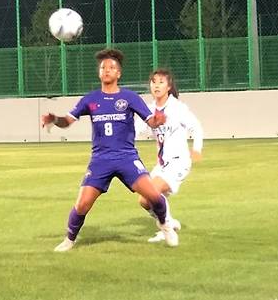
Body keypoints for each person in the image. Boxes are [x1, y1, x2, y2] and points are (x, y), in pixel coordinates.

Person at [41, 48, 178, 252]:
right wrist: (54, 119)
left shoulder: (130, 97)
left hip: (126, 157)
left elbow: (151, 121)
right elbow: (67, 121)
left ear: (118, 74)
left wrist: (157, 121)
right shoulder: (90, 99)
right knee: (82, 204)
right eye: (103, 67)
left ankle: (165, 225)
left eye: (111, 67)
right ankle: (69, 240)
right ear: (99, 72)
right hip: (100, 160)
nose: (107, 70)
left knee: (153, 196)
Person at [137, 68, 203, 245]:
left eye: (161, 82)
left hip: (179, 162)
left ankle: (165, 227)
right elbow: (136, 130)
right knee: (143, 200)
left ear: (169, 86)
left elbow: (196, 127)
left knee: (153, 192)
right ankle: (169, 223)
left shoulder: (177, 108)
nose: (156, 85)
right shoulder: (148, 110)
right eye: (153, 82)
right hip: (162, 164)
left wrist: (197, 149)